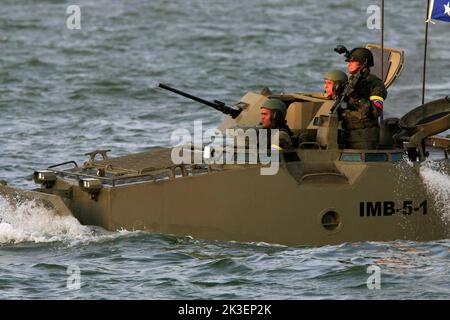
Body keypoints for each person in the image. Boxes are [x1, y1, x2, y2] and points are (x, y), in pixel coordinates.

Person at [340, 47, 387, 149]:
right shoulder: (352, 81)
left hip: (364, 139)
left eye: (352, 62)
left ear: (363, 63)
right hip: (347, 134)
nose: (349, 64)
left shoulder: (375, 84)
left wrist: (357, 97)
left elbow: (376, 112)